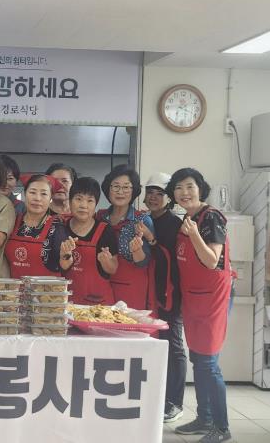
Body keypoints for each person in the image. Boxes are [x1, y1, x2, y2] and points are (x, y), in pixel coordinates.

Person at [167, 169, 233, 442]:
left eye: (190, 186)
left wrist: (193, 235)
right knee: (199, 359)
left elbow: (211, 260)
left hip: (212, 298)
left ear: (200, 188)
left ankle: (221, 427)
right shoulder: (189, 218)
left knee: (208, 363)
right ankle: (204, 419)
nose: (184, 192)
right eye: (178, 188)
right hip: (194, 298)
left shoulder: (211, 217)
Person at [141, 172, 186, 423]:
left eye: (160, 194)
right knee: (155, 346)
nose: (154, 197)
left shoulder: (174, 223)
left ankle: (175, 402)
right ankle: (156, 397)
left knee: (173, 346)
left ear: (168, 198)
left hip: (170, 295)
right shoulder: (144, 219)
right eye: (150, 192)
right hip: (149, 294)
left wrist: (151, 240)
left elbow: (171, 259)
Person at [97, 165, 154, 309]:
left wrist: (137, 250)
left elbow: (144, 262)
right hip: (102, 285)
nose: (120, 192)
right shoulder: (100, 217)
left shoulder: (142, 220)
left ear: (133, 190)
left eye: (126, 187)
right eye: (116, 186)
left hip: (132, 290)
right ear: (108, 189)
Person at [59, 177, 118, 305]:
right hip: (66, 304)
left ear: (96, 204)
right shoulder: (61, 227)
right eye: (78, 199)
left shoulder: (105, 230)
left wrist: (106, 261)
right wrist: (64, 256)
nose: (83, 205)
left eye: (90, 200)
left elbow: (112, 269)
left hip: (99, 306)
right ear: (70, 201)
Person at [4, 174, 68, 277]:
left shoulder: (57, 227)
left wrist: (66, 257)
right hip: (14, 286)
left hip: (45, 287)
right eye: (32, 192)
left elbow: (64, 265)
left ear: (50, 198)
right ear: (25, 194)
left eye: (44, 194)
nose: (37, 198)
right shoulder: (14, 221)